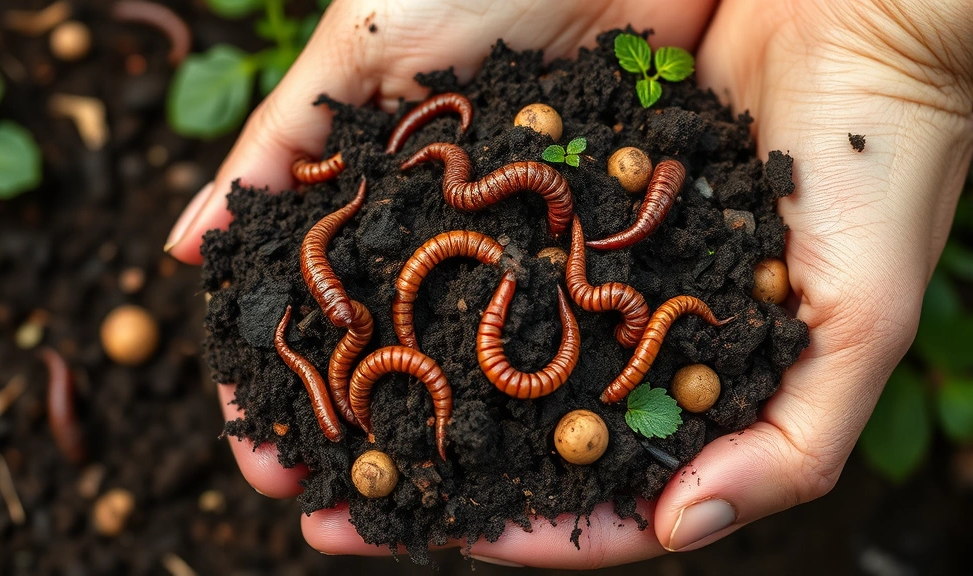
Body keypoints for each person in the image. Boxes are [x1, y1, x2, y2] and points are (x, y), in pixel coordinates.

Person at [164, 0, 973, 568]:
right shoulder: (434, 252)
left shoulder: (578, 258)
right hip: (504, 293)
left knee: (480, 274)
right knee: (425, 279)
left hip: (570, 298)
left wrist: (896, 27)